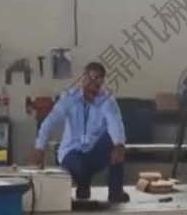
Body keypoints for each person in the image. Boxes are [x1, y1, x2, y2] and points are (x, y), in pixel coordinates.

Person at [29, 62, 130, 203]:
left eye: (97, 78)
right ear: (83, 79)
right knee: (80, 167)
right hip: (72, 152)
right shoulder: (69, 98)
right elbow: (50, 121)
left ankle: (115, 192)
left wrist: (118, 145)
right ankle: (83, 186)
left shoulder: (107, 100)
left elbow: (115, 123)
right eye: (89, 78)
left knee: (117, 145)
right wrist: (39, 147)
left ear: (102, 81)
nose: (93, 82)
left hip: (94, 153)